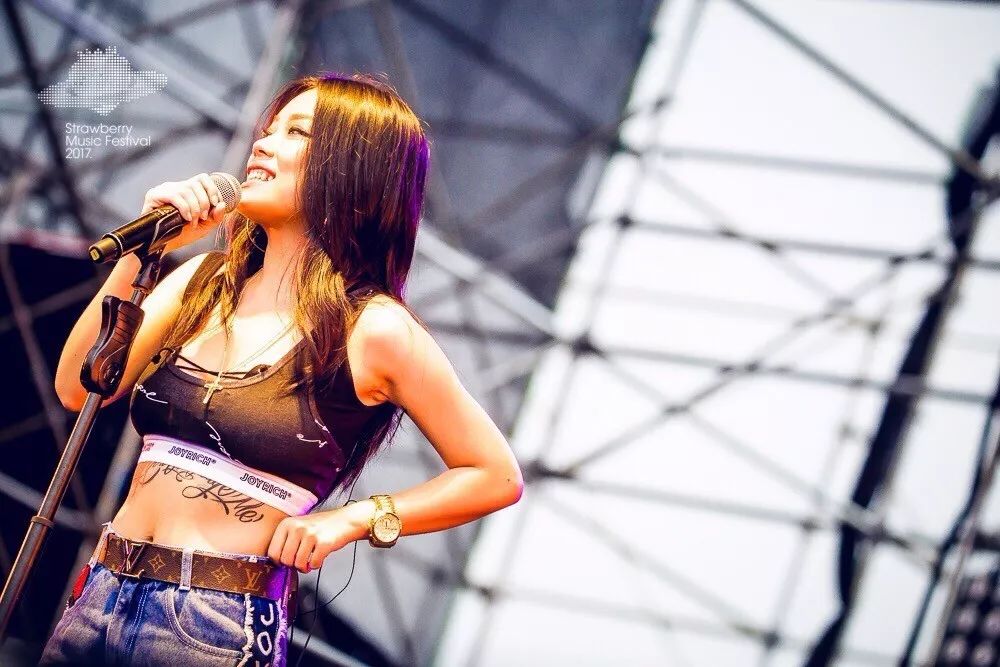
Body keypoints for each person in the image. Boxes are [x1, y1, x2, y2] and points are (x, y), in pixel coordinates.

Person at [40, 72, 524, 666]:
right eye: (267, 130)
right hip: (100, 591)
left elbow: (495, 474)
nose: (262, 144)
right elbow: (78, 386)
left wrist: (355, 519)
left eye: (296, 133)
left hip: (210, 622)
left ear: (354, 173)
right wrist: (147, 252)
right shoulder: (203, 283)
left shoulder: (373, 329)